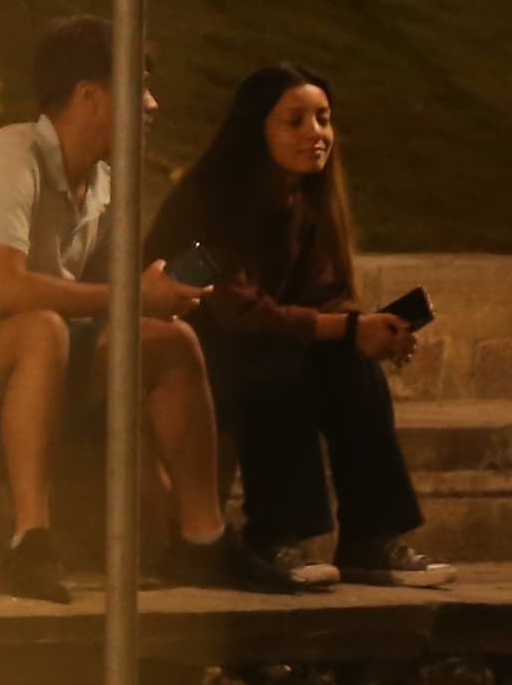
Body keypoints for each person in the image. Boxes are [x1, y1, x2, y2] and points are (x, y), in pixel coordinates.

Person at [0, 15, 298, 603]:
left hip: (30, 358)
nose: (153, 104)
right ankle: (30, 543)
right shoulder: (10, 156)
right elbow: (8, 292)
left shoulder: (103, 185)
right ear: (90, 97)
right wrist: (133, 297)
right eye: (138, 88)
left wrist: (155, 299)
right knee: (42, 329)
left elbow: (107, 311)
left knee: (169, 343)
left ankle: (201, 541)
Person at [143, 63, 454, 589]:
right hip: (189, 355)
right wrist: (347, 329)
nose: (316, 134)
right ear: (255, 129)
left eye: (324, 119)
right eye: (296, 121)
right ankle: (274, 536)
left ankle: (369, 539)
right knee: (277, 370)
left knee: (351, 368)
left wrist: (370, 329)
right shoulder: (207, 201)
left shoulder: (304, 200)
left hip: (263, 346)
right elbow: (237, 312)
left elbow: (322, 295)